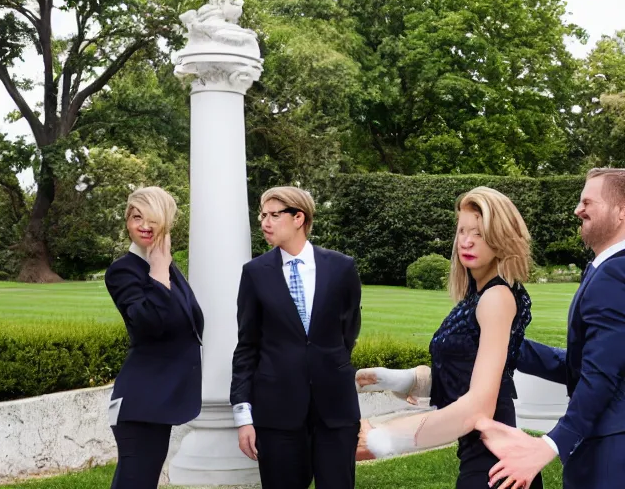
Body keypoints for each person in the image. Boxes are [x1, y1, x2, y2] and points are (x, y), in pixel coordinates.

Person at [355, 187, 543, 489]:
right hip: (481, 455)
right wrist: (403, 380)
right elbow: (467, 372)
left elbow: (480, 406)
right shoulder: (478, 294)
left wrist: (384, 437)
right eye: (462, 231)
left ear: (502, 237)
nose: (466, 242)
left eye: (479, 234)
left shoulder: (496, 297)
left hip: (494, 461)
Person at [476, 168, 625, 489]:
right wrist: (505, 343)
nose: (577, 209)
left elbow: (602, 376)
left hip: (609, 455)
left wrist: (550, 444)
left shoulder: (615, 274)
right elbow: (582, 365)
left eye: (588, 202)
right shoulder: (607, 271)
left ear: (621, 211)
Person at [230, 186, 362, 489]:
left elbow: (348, 331)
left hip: (335, 409)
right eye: (263, 215)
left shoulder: (342, 268)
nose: (265, 222)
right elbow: (247, 346)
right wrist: (243, 415)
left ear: (299, 217)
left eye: (275, 215)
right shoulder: (255, 273)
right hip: (276, 413)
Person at [103, 186, 204, 489]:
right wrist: (159, 272)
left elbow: (190, 324)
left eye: (152, 219)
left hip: (160, 398)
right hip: (141, 400)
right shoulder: (124, 271)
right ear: (127, 222)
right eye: (136, 218)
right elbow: (147, 323)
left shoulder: (169, 267)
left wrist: (163, 268)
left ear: (167, 222)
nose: (144, 226)